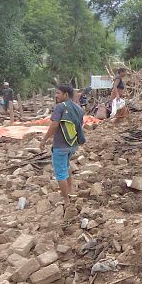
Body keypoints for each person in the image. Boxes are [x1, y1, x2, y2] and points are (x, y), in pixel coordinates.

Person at [40, 85, 85, 216]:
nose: (56, 96)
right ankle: (70, 190)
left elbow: (54, 125)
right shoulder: (78, 107)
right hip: (73, 144)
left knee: (60, 173)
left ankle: (66, 200)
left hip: (60, 145)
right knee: (66, 166)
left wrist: (44, 140)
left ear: (65, 95)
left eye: (58, 93)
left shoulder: (60, 107)